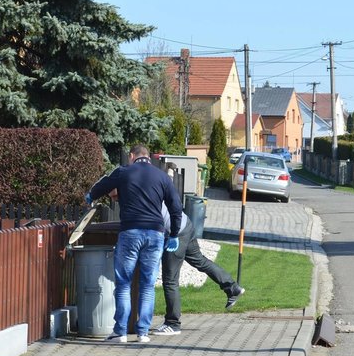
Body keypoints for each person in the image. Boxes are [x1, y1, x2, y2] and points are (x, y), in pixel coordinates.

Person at [87, 145, 182, 343]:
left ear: (132, 156)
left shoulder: (123, 172)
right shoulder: (162, 177)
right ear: (148, 157)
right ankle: (143, 333)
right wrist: (173, 234)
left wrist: (90, 197)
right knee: (147, 285)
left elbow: (102, 185)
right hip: (155, 234)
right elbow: (175, 207)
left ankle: (120, 332)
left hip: (130, 232)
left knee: (123, 284)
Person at [154, 204, 244, 336]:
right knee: (200, 261)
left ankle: (173, 324)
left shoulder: (134, 190)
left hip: (175, 232)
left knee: (170, 280)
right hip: (185, 224)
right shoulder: (154, 184)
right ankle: (232, 287)